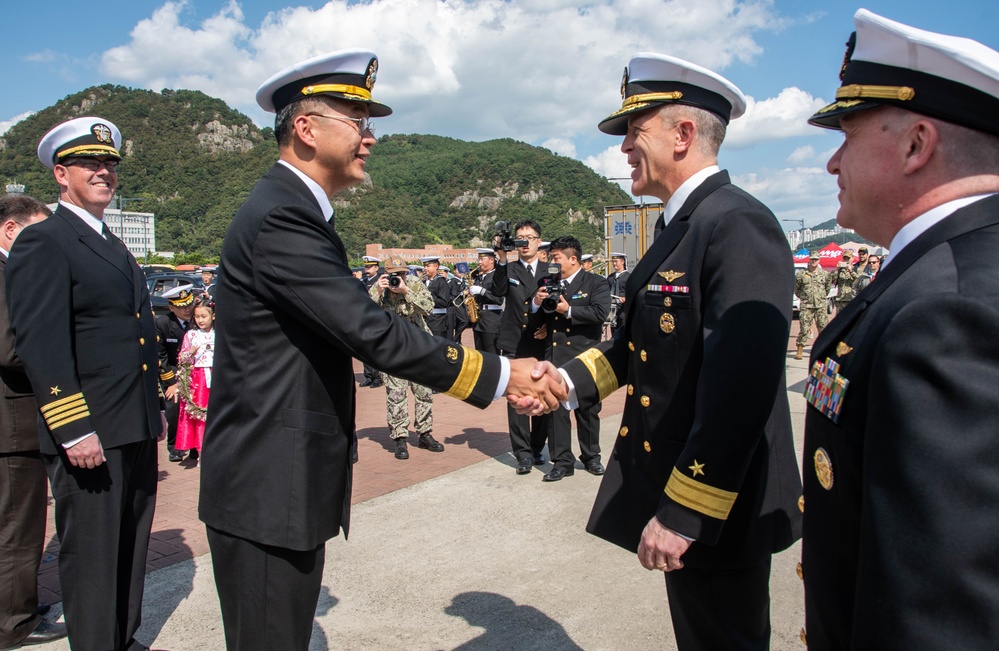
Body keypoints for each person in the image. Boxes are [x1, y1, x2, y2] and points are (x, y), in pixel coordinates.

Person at [198, 49, 563, 651]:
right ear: (306, 128)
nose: (370, 139)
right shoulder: (283, 217)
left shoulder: (293, 211)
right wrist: (501, 375)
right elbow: (373, 331)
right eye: (357, 122)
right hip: (266, 486)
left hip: (277, 479)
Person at [514, 53, 802, 651]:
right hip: (687, 491)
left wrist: (686, 513)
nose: (622, 150)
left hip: (719, 505)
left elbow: (741, 388)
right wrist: (563, 384)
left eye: (633, 134)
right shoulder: (681, 226)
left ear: (684, 134)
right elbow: (634, 347)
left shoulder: (736, 223)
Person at [801, 10, 999, 649]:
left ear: (917, 144)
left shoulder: (948, 310)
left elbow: (942, 606)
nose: (832, 163)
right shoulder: (949, 270)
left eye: (848, 137)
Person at [6, 117, 166, 651]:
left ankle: (121, 637)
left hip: (133, 422)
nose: (104, 172)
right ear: (60, 173)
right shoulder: (45, 240)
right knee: (94, 553)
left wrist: (155, 409)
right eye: (90, 164)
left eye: (110, 164)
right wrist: (73, 429)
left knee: (130, 543)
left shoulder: (111, 241)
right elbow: (43, 345)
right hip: (91, 429)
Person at [0, 195, 67, 649]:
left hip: (14, 421)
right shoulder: (7, 274)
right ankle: (14, 623)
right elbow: (12, 348)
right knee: (18, 531)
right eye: (35, 233)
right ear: (10, 230)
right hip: (14, 422)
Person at [531, 235, 610, 482]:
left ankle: (591, 458)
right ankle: (562, 461)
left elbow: (600, 313)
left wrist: (569, 310)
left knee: (588, 409)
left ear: (573, 259)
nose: (551, 262)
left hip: (585, 356)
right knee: (557, 410)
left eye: (556, 258)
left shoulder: (595, 282)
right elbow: (536, 317)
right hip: (555, 356)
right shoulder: (547, 282)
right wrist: (537, 303)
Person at [369, 258, 444, 459]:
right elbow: (366, 312)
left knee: (424, 393)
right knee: (396, 394)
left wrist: (405, 292)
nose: (398, 278)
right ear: (386, 274)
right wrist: (378, 291)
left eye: (401, 274)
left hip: (418, 346)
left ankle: (425, 434)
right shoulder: (379, 288)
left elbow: (428, 307)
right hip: (393, 349)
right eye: (394, 275)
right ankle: (400, 438)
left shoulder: (414, 283)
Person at [493, 220, 551, 474]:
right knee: (516, 399)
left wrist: (550, 326)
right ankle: (522, 454)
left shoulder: (551, 269)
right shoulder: (509, 268)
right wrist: (501, 258)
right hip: (514, 341)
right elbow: (497, 291)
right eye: (519, 237)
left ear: (539, 241)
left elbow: (559, 300)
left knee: (541, 395)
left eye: (529, 237)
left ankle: (537, 446)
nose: (524, 242)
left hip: (542, 342)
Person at [157, 285, 197, 462]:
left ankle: (196, 446)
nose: (187, 309)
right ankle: (174, 446)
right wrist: (171, 383)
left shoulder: (199, 318)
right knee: (174, 404)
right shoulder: (162, 323)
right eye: (182, 306)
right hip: (174, 369)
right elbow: (161, 357)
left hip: (197, 367)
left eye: (189, 304)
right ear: (171, 307)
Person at [176, 294, 215, 466]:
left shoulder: (219, 333)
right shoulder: (191, 335)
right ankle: (200, 451)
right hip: (198, 379)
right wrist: (190, 353)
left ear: (213, 316)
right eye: (197, 316)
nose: (200, 320)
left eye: (203, 316)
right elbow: (182, 359)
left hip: (215, 376)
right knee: (200, 415)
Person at [794, 251, 830, 360]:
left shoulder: (825, 274)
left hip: (820, 306)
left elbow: (827, 289)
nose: (814, 261)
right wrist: (805, 298)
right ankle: (800, 349)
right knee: (804, 328)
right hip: (807, 305)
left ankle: (824, 349)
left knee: (823, 328)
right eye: (812, 259)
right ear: (809, 260)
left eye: (816, 259)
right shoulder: (801, 274)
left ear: (819, 260)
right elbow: (797, 289)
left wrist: (820, 298)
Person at [469, 248, 504, 355]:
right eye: (479, 259)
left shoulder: (497, 276)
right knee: (479, 353)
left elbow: (499, 299)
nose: (479, 262)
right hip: (479, 318)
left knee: (492, 353)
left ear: (491, 260)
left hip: (491, 320)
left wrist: (482, 291)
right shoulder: (479, 277)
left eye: (482, 259)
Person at [359, 255, 385, 388]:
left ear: (376, 268)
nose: (367, 269)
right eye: (366, 266)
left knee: (375, 349)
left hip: (376, 318)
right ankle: (368, 376)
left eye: (370, 267)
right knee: (365, 349)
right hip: (365, 319)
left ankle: (377, 377)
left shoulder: (380, 281)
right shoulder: (363, 282)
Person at [420, 255, 451, 339]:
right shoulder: (422, 282)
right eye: (424, 266)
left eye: (428, 266)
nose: (425, 268)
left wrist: (428, 297)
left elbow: (444, 302)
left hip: (437, 321)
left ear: (436, 266)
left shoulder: (441, 282)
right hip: (424, 320)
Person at [607, 252, 630, 333]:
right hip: (612, 309)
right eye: (613, 262)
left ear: (622, 262)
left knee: (623, 330)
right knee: (613, 330)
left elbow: (631, 292)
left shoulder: (628, 277)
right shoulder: (610, 277)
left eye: (616, 261)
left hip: (623, 309)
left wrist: (626, 298)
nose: (614, 264)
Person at [830, 250, 858, 314]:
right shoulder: (840, 270)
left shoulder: (856, 269)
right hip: (841, 300)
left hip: (852, 299)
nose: (846, 260)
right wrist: (836, 269)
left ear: (852, 259)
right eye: (844, 258)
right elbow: (832, 280)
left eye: (848, 258)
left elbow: (858, 280)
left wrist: (851, 271)